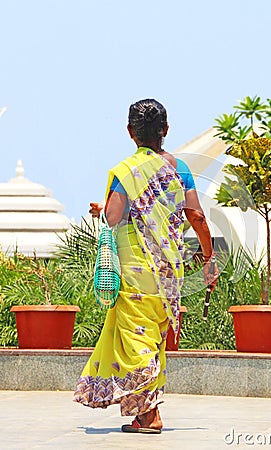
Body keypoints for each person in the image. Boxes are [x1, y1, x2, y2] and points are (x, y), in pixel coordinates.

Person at [73, 98, 218, 434]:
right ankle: (144, 414)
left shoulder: (127, 172)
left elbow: (113, 217)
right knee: (153, 337)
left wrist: (105, 208)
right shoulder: (180, 169)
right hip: (170, 272)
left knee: (136, 340)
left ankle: (150, 414)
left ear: (130, 132)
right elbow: (195, 215)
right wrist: (209, 258)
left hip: (136, 271)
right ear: (165, 131)